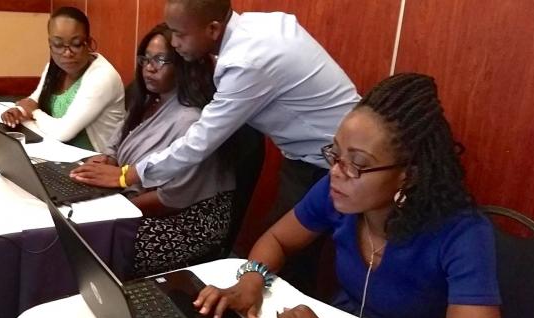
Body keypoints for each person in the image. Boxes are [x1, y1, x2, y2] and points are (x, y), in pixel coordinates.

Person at [192, 73, 502, 318]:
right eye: (336, 154)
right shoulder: (337, 192)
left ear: (409, 174)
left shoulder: (463, 235)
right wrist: (251, 281)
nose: (338, 172)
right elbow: (278, 239)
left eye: (358, 164)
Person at [70, 0, 360, 294]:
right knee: (285, 253)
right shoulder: (258, 28)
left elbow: (198, 142)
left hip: (335, 162)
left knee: (290, 266)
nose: (175, 43)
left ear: (213, 29)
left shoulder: (245, 62)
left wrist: (127, 176)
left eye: (180, 34)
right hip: (315, 153)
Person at [75, 23, 235, 275]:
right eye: (146, 58)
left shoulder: (189, 120)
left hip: (187, 221)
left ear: (184, 63)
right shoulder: (150, 99)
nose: (149, 67)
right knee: (75, 219)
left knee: (94, 243)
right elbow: (115, 145)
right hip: (138, 198)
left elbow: (172, 199)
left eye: (161, 59)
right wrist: (106, 160)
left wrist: (113, 207)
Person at [1, 6, 125, 153]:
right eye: (58, 45)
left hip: (93, 161)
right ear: (50, 44)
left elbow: (63, 132)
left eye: (76, 44)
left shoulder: (102, 77)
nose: (67, 53)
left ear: (89, 43)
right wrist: (18, 111)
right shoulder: (54, 67)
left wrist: (34, 112)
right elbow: (34, 100)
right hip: (57, 150)